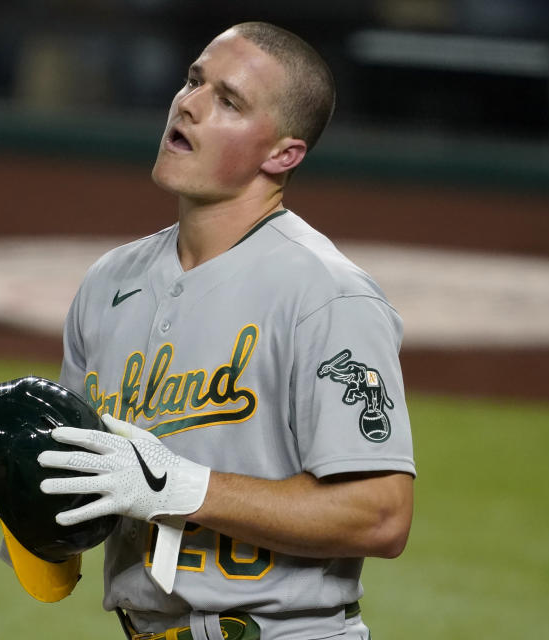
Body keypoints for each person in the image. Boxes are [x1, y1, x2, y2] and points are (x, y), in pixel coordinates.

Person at [32, 21, 416, 639]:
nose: (188, 104)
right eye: (193, 80)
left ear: (282, 154)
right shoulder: (109, 282)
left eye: (228, 101)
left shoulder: (326, 295)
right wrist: (24, 473)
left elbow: (381, 516)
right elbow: (91, 495)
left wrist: (180, 486)